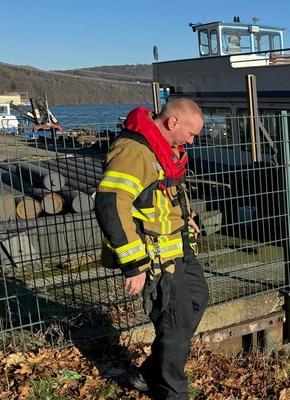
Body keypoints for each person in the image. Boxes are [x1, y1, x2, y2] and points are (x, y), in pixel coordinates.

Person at [95, 98, 208, 399]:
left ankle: (148, 374)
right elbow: (111, 204)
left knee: (197, 299)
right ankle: (172, 393)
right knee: (174, 325)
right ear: (173, 122)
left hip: (178, 244)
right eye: (191, 133)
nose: (192, 140)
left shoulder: (165, 147)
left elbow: (165, 194)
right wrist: (134, 264)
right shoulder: (134, 152)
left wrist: (188, 219)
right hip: (157, 257)